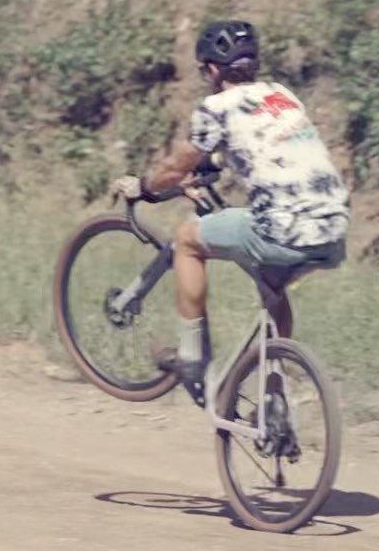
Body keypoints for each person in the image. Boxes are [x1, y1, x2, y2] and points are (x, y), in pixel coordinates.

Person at [112, 20, 349, 405]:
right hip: (333, 229)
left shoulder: (216, 107)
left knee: (187, 240)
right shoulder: (281, 95)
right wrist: (213, 165)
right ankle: (273, 396)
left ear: (211, 70)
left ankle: (191, 360)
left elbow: (175, 167)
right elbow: (262, 143)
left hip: (281, 229)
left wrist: (143, 186)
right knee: (271, 289)